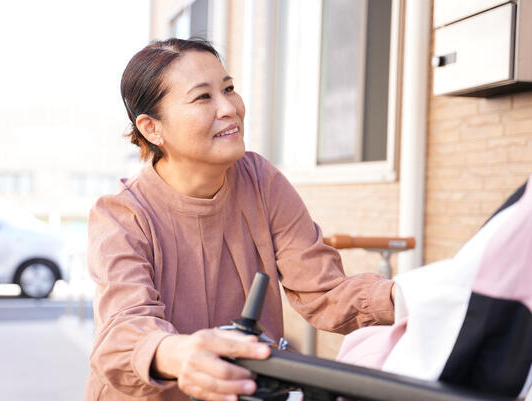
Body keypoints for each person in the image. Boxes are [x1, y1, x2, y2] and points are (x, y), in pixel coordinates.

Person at [85, 38, 395, 401]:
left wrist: (407, 297)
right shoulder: (121, 215)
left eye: (228, 89)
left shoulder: (260, 180)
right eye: (203, 97)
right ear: (152, 128)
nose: (229, 107)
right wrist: (178, 354)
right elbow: (124, 329)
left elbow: (324, 291)